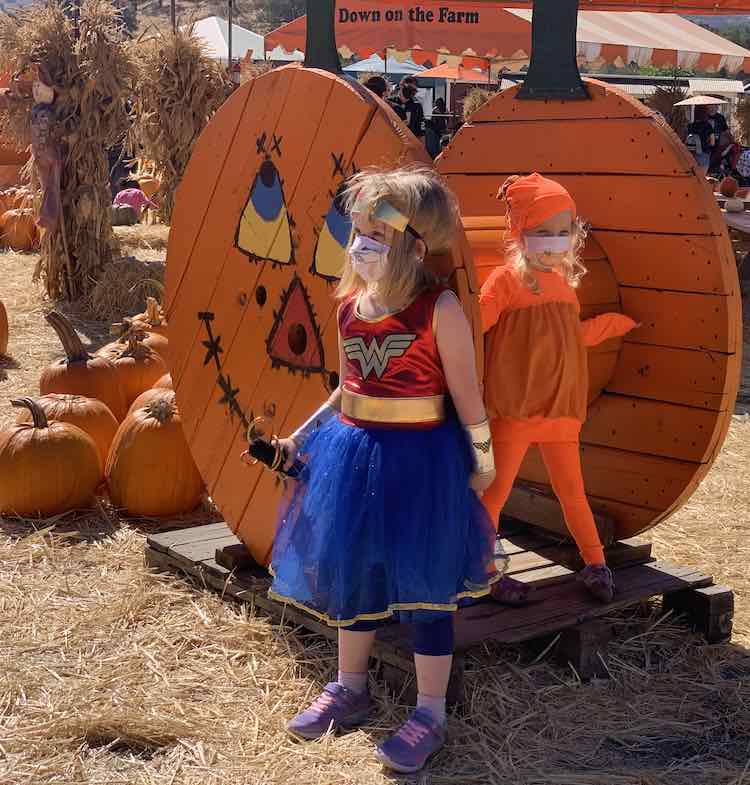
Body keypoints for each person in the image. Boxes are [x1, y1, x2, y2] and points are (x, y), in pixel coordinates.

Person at [266, 166, 501, 773]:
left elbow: (468, 396)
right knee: (356, 568)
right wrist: (301, 435)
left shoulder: (438, 308)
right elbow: (346, 389)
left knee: (426, 585)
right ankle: (349, 687)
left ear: (413, 244)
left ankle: (429, 712)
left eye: (376, 230)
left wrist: (483, 462)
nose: (359, 241)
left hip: (422, 462)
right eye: (359, 227)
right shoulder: (350, 305)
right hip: (354, 454)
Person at [478, 173, 638, 606]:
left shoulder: (567, 285)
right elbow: (477, 325)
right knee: (497, 492)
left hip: (561, 410)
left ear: (574, 235)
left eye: (562, 232)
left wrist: (610, 326)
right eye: (542, 232)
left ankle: (595, 565)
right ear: (520, 234)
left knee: (572, 491)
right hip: (516, 407)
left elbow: (570, 337)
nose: (554, 241)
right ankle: (485, 572)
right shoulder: (506, 281)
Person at [688, 107, 716, 172]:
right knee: (701, 178)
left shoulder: (690, 125)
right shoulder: (708, 126)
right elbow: (712, 143)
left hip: (691, 154)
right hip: (704, 153)